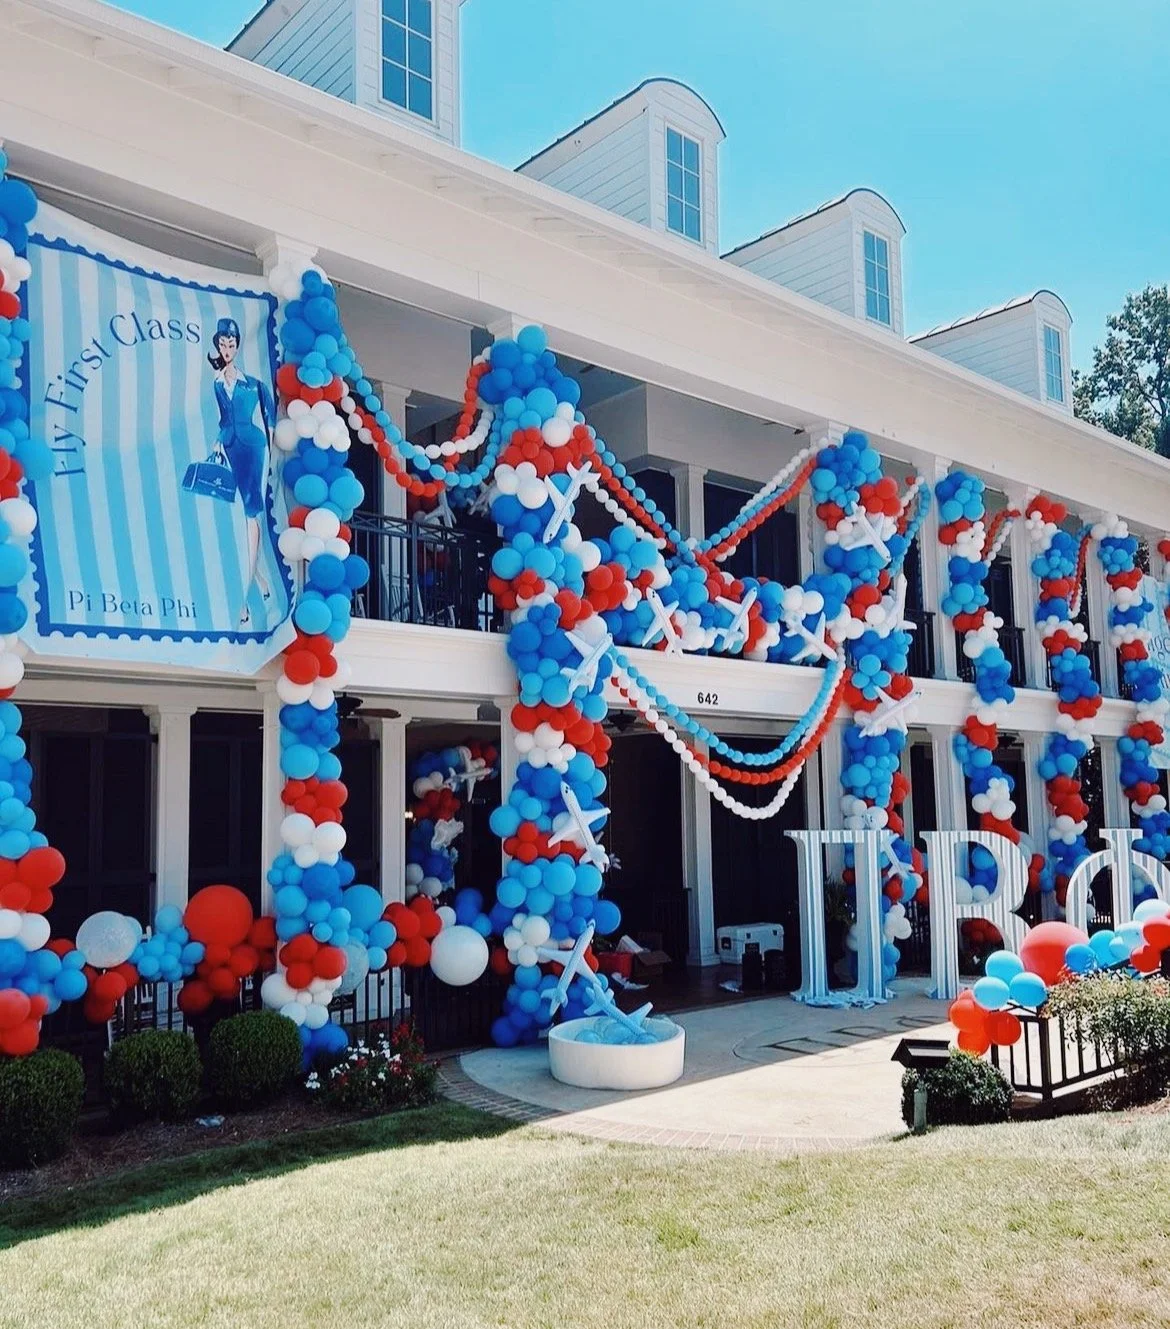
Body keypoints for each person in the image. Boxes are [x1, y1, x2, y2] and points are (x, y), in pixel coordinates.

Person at [208, 317, 276, 625]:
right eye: (223, 344)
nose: (227, 349)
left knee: (251, 512)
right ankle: (258, 578)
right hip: (229, 445)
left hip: (253, 446)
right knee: (232, 514)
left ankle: (244, 596)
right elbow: (224, 419)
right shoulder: (217, 382)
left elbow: (269, 420)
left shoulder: (254, 383)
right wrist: (217, 443)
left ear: (237, 346)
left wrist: (271, 456)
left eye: (231, 344)